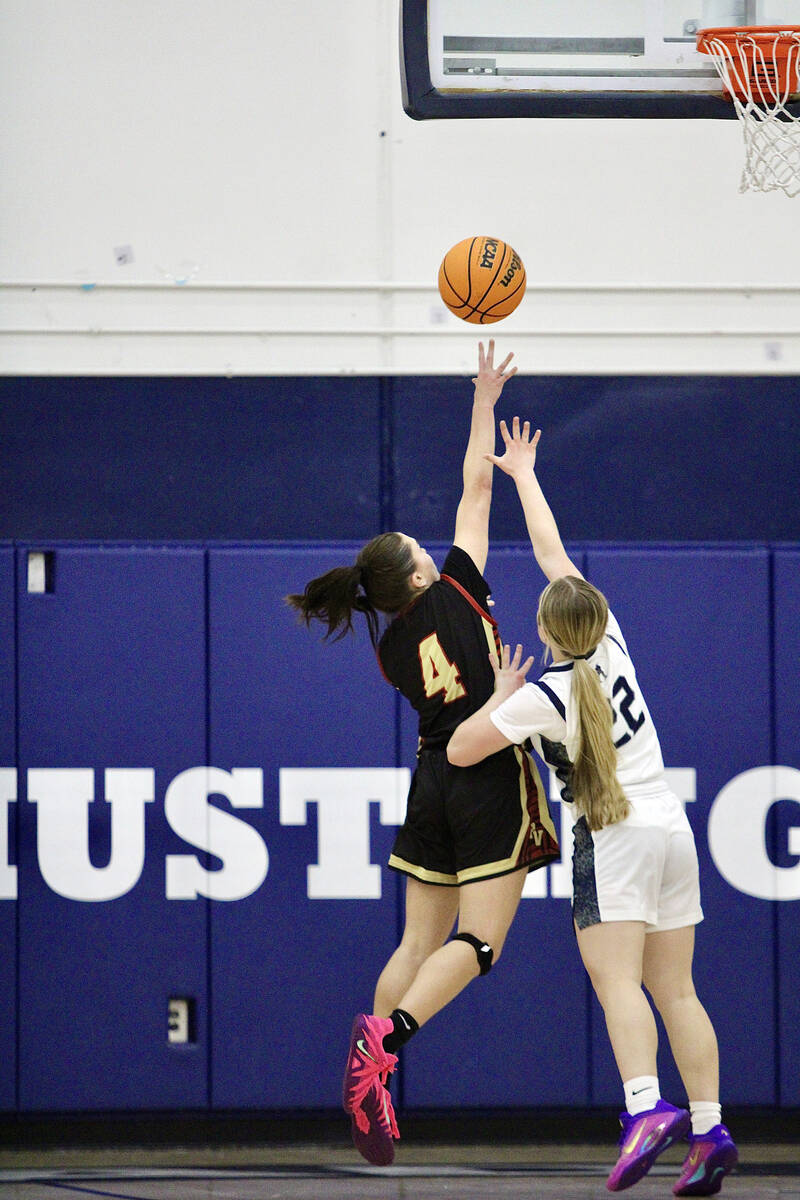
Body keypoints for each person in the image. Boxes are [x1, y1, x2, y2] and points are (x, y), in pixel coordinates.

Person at [447, 416, 738, 1196]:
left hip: (611, 839)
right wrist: (527, 475)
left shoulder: (542, 695)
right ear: (597, 619)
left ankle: (646, 1107)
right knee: (678, 989)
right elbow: (555, 558)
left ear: (545, 630)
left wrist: (500, 692)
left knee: (617, 983)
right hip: (672, 829)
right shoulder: (613, 645)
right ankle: (710, 1129)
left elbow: (459, 749)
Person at [285, 343, 559, 1167]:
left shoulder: (393, 647)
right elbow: (479, 484)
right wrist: (484, 397)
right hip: (486, 773)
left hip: (430, 779)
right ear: (419, 570)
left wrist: (479, 399)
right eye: (414, 542)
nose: (423, 539)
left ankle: (377, 1072)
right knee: (479, 946)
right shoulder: (460, 586)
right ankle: (386, 1040)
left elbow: (470, 491)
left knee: (415, 944)